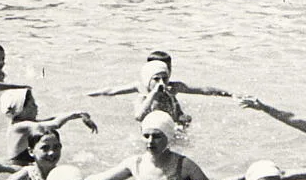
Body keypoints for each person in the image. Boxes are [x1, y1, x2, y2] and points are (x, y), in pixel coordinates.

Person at [85, 113, 235, 180]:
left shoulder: (184, 165)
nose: (150, 141)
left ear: (168, 137)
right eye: (146, 135)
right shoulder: (135, 163)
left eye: (157, 136)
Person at [84, 53, 233, 127]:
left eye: (167, 72)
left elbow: (204, 90)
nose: (162, 81)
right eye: (156, 78)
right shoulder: (142, 90)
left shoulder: (172, 87)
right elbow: (112, 91)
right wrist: (88, 94)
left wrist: (230, 94)